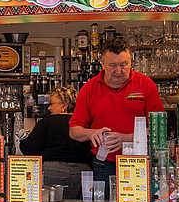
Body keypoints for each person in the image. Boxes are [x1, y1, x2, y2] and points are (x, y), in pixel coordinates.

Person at [69, 37, 164, 183]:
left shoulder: (146, 85)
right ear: (102, 64)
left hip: (139, 161)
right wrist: (90, 132)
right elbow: (74, 131)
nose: (118, 71)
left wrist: (125, 139)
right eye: (113, 65)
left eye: (124, 65)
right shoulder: (89, 88)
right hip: (104, 162)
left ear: (131, 62)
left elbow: (158, 129)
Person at [20, 86, 94, 199]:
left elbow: (30, 148)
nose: (49, 108)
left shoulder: (47, 122)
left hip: (53, 171)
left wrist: (22, 141)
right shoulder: (86, 123)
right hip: (83, 172)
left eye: (52, 104)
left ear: (65, 106)